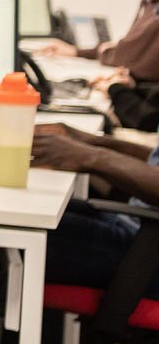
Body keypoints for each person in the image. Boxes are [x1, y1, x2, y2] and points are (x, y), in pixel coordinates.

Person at [32, 123, 159, 298]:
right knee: (30, 213)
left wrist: (91, 156)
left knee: (4, 241)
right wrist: (96, 143)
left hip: (148, 256)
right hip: (142, 228)